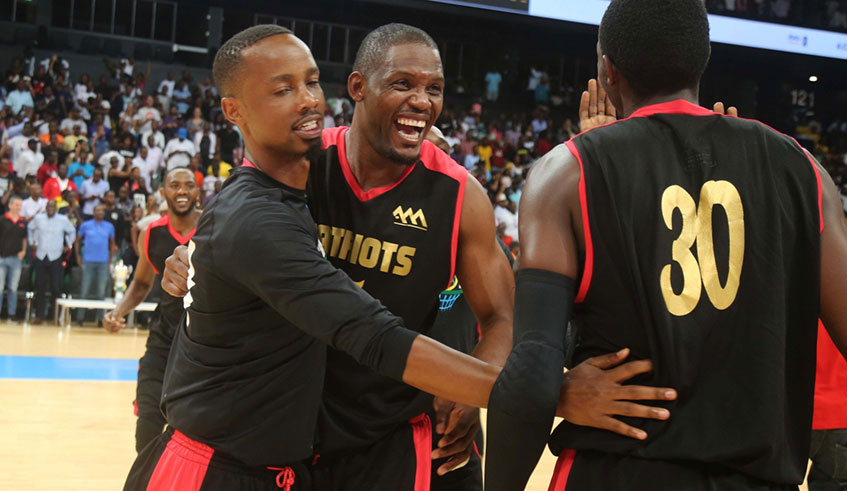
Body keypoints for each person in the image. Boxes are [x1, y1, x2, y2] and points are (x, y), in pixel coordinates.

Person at [143, 25, 675, 491]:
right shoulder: (304, 160)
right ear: (358, 89)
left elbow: (503, 316)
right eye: (403, 85)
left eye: (434, 89)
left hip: (391, 429)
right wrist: (190, 261)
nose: (422, 101)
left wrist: (475, 391)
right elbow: (236, 223)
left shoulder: (459, 195)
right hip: (288, 441)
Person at [484, 1, 847, 490]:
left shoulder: (566, 174)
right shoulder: (805, 172)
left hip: (613, 472)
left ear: (608, 69)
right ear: (703, 59)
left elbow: (533, 373)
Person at [103, 167, 200, 451]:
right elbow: (142, 283)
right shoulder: (152, 232)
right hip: (163, 335)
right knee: (147, 420)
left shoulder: (213, 225)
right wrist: (118, 311)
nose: (182, 191)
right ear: (163, 192)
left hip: (203, 341)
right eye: (175, 185)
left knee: (192, 428)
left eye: (188, 185)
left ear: (197, 191)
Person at [27, 199, 75, 324]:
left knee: (56, 288)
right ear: (46, 207)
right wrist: (32, 242)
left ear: (56, 208)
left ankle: (56, 317)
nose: (51, 208)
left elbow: (72, 231)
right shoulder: (39, 218)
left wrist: (69, 244)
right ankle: (39, 316)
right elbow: (29, 228)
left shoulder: (63, 220)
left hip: (56, 257)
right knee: (40, 287)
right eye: (49, 206)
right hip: (41, 256)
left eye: (53, 206)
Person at [74, 204, 116, 325]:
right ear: (93, 212)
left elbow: (112, 244)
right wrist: (78, 256)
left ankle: (100, 319)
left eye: (102, 210)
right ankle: (80, 318)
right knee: (84, 291)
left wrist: (110, 260)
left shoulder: (109, 226)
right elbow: (77, 241)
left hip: (103, 262)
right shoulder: (85, 225)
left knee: (101, 293)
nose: (100, 212)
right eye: (98, 210)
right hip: (88, 261)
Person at [0, 197, 28, 320]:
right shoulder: (2, 219)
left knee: (13, 288)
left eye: (20, 205)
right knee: (0, 288)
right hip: (2, 258)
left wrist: (24, 251)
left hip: (16, 259)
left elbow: (24, 239)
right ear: (10, 205)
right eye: (17, 205)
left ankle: (11, 315)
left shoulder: (23, 222)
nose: (19, 207)